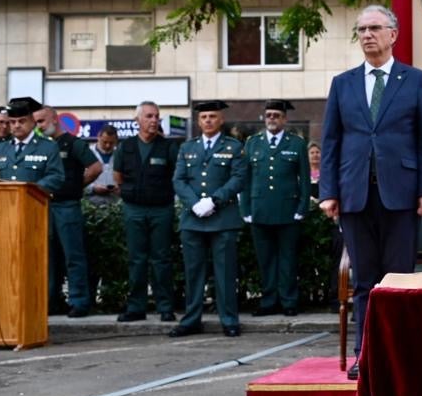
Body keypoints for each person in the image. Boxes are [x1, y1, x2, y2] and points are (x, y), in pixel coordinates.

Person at [319, 6, 422, 378]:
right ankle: (365, 354)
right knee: (364, 281)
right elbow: (331, 141)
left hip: (401, 195)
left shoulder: (414, 80)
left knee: (398, 281)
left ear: (393, 34)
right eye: (362, 30)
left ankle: (400, 355)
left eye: (375, 28)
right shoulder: (344, 83)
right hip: (355, 195)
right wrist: (329, 191)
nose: (367, 35)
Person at [171, 100, 248, 338]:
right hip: (193, 219)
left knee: (225, 273)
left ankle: (228, 319)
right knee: (193, 272)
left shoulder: (234, 147)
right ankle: (192, 319)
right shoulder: (187, 147)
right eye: (204, 117)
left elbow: (239, 178)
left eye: (213, 116)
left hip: (223, 218)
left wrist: (214, 200)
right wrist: (194, 203)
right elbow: (178, 180)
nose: (208, 121)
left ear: (221, 120)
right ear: (198, 121)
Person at [240, 99, 310, 316]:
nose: (272, 119)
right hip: (260, 210)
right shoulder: (252, 143)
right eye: (269, 115)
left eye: (276, 115)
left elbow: (305, 180)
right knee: (266, 260)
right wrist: (246, 209)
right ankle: (269, 301)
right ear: (264, 118)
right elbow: (246, 179)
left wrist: (302, 207)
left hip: (288, 211)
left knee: (288, 259)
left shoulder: (296, 144)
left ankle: (289, 301)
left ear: (284, 119)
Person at [33, 104, 101, 317]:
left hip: (67, 206)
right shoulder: (41, 146)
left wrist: (75, 185)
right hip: (45, 204)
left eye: (42, 121)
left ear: (55, 119)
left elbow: (95, 167)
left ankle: (79, 301)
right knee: (49, 256)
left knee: (73, 255)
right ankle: (52, 300)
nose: (39, 126)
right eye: (36, 122)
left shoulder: (73, 143)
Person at [114, 102, 180, 323]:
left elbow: (176, 176)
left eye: (157, 116)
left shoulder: (169, 147)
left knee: (161, 259)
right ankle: (136, 307)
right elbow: (118, 176)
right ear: (138, 120)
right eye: (149, 116)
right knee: (136, 259)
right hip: (134, 208)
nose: (154, 120)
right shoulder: (126, 146)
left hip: (161, 208)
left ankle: (165, 307)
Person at [0, 97, 65, 192]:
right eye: (12, 122)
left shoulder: (48, 147)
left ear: (32, 122)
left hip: (34, 202)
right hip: (4, 203)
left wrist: (31, 190)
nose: (17, 125)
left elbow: (56, 177)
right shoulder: (0, 148)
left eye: (22, 121)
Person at [86, 125, 121, 202]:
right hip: (90, 202)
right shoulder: (87, 153)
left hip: (114, 202)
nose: (108, 145)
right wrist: (93, 188)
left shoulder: (120, 155)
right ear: (98, 137)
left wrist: (119, 187)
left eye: (111, 143)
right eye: (104, 142)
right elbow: (78, 179)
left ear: (116, 141)